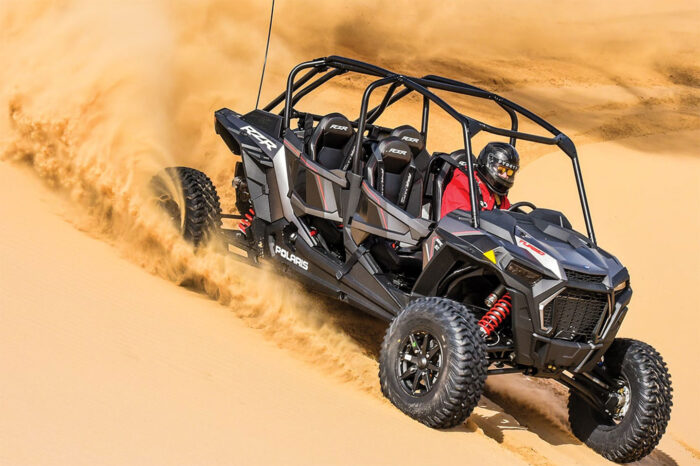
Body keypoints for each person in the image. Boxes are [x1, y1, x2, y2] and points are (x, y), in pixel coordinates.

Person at [440, 142, 520, 218]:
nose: (505, 176)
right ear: (488, 164)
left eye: (509, 172)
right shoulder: (463, 185)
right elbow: (455, 224)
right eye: (501, 170)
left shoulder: (499, 197)